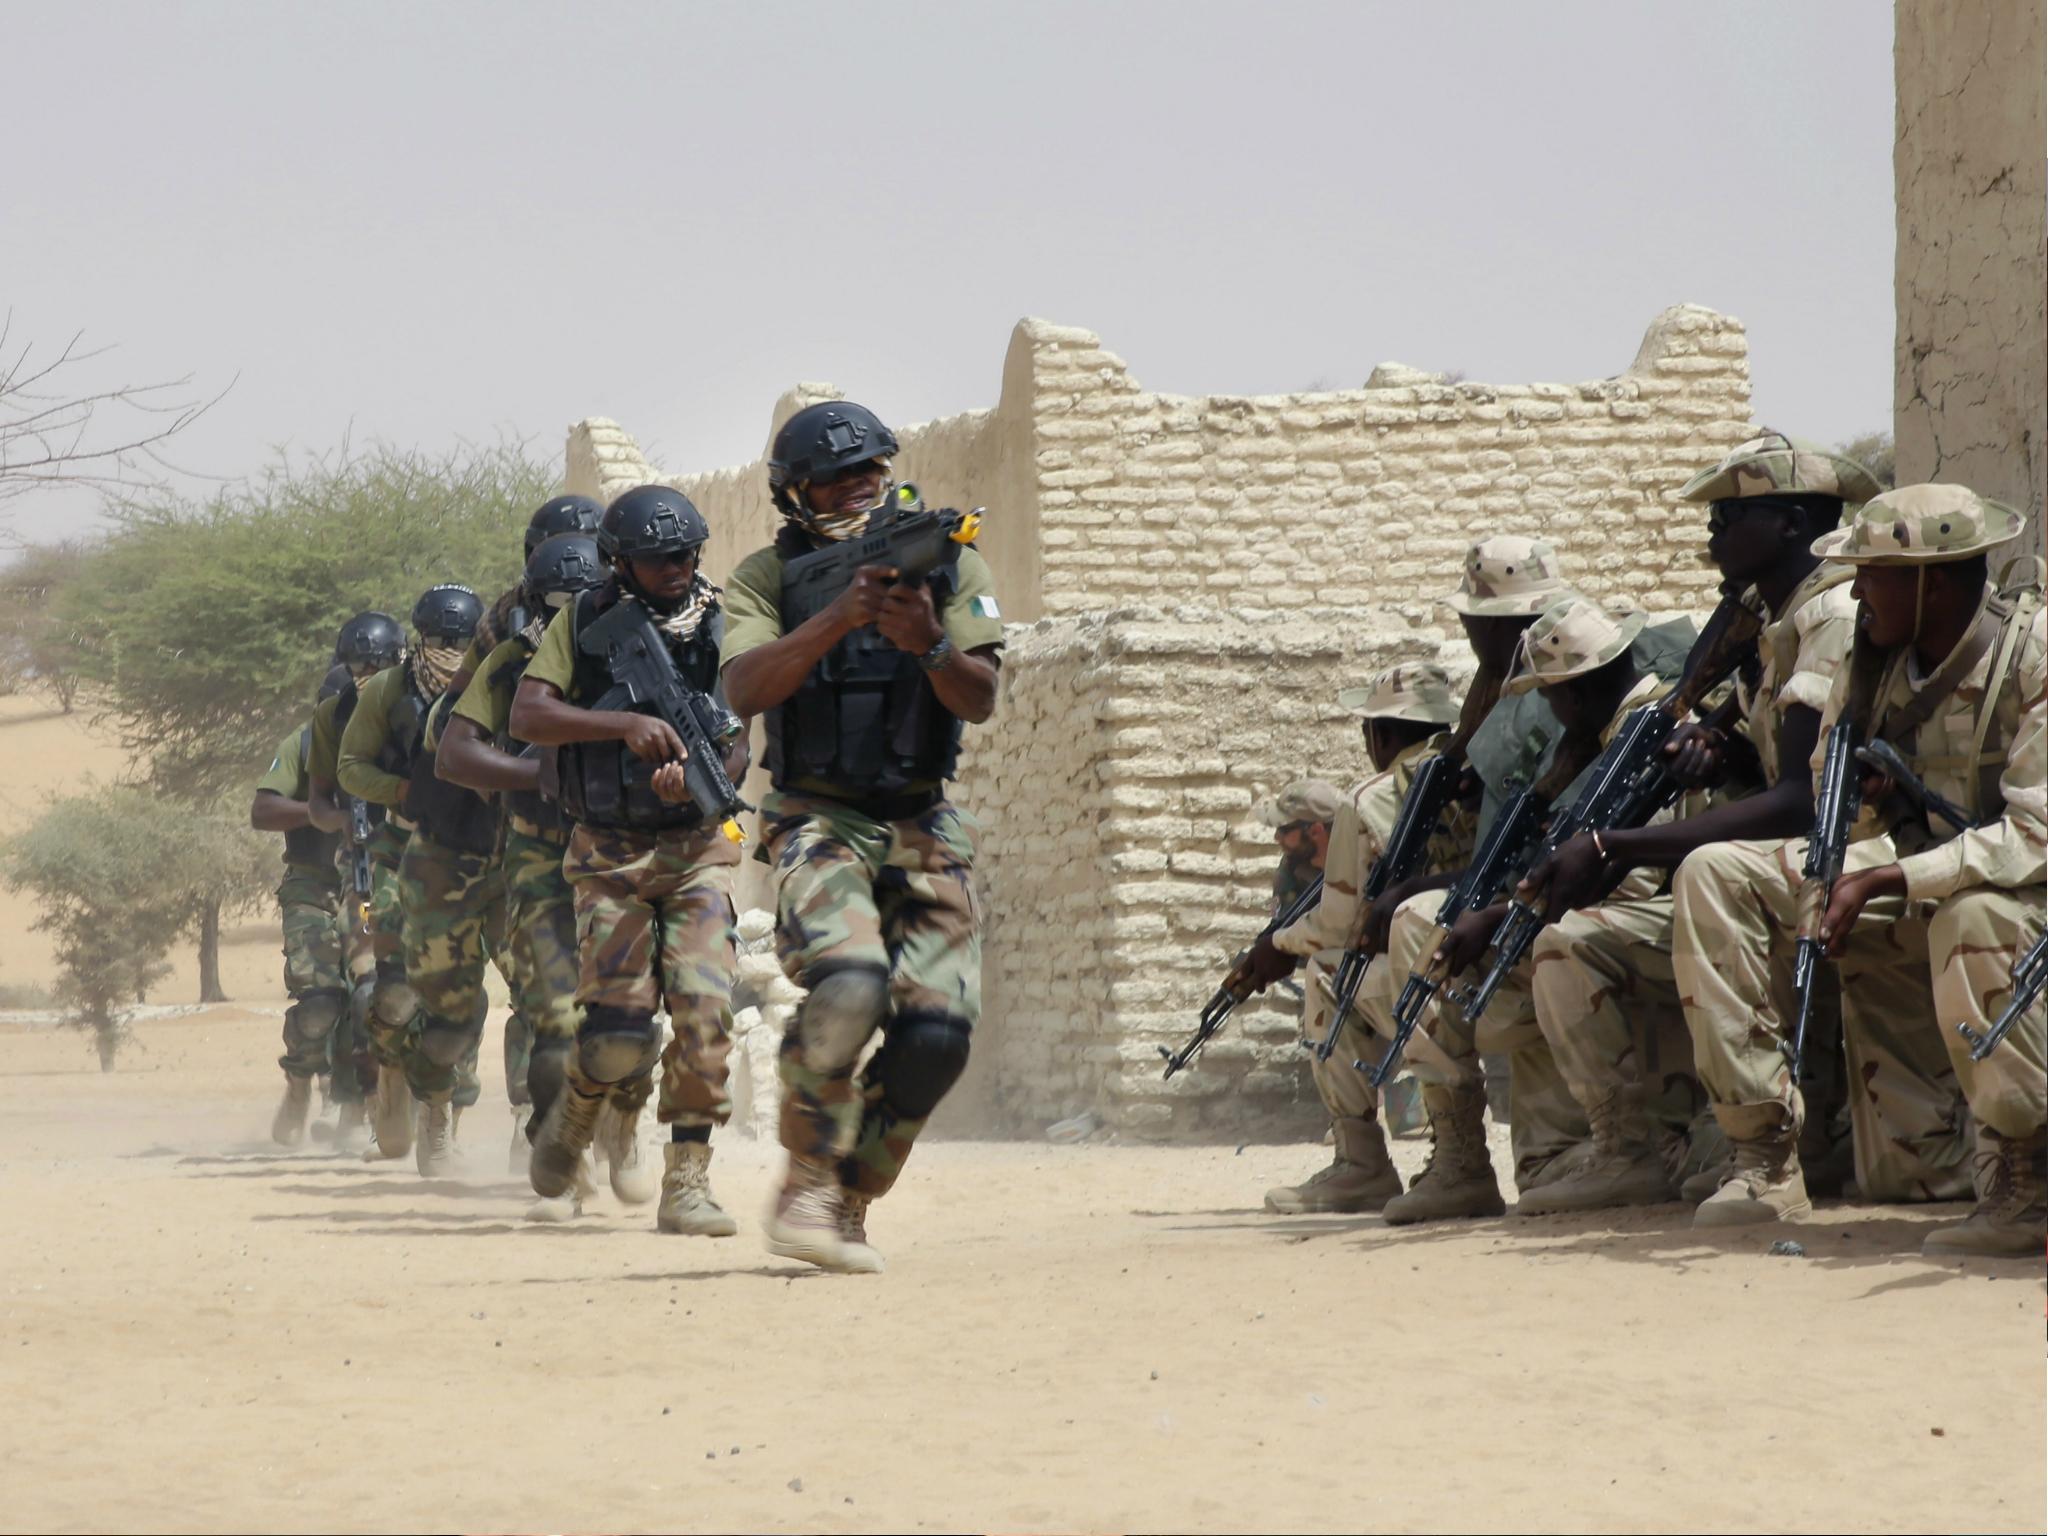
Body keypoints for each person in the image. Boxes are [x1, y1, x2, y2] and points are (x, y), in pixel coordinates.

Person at [1513, 431, 1881, 1216]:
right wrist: (1718, 748)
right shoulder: (1764, 626)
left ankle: (1766, 1159)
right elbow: (1770, 769)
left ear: (1790, 524)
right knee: (1569, 941)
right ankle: (1627, 1148)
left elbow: (1801, 801)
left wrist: (1615, 843)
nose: (1712, 535)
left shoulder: (1830, 617)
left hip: (1856, 855)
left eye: (1729, 517)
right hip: (1791, 861)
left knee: (1707, 872)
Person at [1671, 484, 2044, 1252]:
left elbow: (2033, 837)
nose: (1855, 591)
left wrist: (1888, 877)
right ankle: (1765, 1156)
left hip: (2019, 896)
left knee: (1974, 914)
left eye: (1870, 573)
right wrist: (1868, 824)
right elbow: (1828, 796)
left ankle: (2024, 1179)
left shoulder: (2031, 654)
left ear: (1929, 579)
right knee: (1716, 871)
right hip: (1918, 870)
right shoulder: (1871, 661)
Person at [720, 400, 1005, 1273]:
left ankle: (850, 1196)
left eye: (870, 472)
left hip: (923, 818)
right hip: (816, 815)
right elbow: (742, 689)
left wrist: (925, 644)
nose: (857, 489)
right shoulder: (766, 578)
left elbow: (981, 697)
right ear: (794, 493)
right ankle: (805, 1178)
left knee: (937, 1037)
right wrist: (838, 619)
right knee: (849, 986)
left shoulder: (947, 561)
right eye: (835, 479)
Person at [1363, 580, 1697, 1225]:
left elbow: (1623, 875)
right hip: (1581, 915)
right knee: (1416, 924)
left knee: (1554, 941)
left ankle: (1626, 1148)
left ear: (1572, 691)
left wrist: (1501, 915)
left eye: (1549, 694)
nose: (1546, 708)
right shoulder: (1595, 739)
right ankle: (1459, 1155)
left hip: (1645, 918)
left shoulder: (1648, 729)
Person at [510, 488, 749, 1229]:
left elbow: (741, 731)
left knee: (707, 1012)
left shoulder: (723, 619)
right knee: (618, 1028)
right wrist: (622, 725)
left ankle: (688, 1179)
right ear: (621, 562)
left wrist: (710, 778)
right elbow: (528, 713)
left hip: (696, 849)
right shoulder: (583, 622)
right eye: (656, 559)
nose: (675, 568)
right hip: (610, 854)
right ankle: (580, 1116)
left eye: (684, 554)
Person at [439, 529, 650, 1211]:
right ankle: (556, 1140)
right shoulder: (509, 664)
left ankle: (623, 1122)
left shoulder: (651, 645)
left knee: (636, 1008)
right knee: (555, 1014)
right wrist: (541, 774)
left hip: (630, 847)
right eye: (555, 601)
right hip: (537, 850)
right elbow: (454, 756)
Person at [1248, 665, 1471, 1213]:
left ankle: (1369, 1163)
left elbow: (1339, 925)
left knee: (1327, 969)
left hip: (1442, 973)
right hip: (1494, 953)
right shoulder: (1478, 771)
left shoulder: (1369, 799)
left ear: (1380, 734)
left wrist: (1276, 946)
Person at [336, 583, 486, 1164]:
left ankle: (439, 1111)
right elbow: (351, 768)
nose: (449, 649)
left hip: (473, 852)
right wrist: (402, 790)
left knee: (463, 990)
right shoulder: (389, 692)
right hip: (400, 847)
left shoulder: (496, 682)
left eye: (460, 640)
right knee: (395, 987)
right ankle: (393, 1072)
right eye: (438, 639)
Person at [304, 611, 408, 1148]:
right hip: (366, 875)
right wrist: (342, 821)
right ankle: (375, 1101)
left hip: (430, 862)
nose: (366, 672)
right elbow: (318, 801)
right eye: (357, 662)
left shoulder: (415, 706)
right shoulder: (333, 713)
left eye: (377, 662)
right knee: (369, 979)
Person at [252, 666, 350, 1146]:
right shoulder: (305, 743)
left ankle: (353, 1103)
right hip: (313, 888)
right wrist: (321, 816)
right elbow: (263, 810)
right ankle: (298, 1084)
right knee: (318, 1004)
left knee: (376, 994)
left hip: (373, 891)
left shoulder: (394, 743)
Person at [1262, 779, 1340, 919]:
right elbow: (1277, 919)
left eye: (1284, 830)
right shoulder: (1292, 862)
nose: (1276, 837)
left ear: (1316, 831)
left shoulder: (1359, 871)